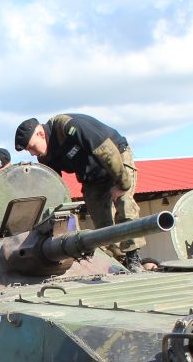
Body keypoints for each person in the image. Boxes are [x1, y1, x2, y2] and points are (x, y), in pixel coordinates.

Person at [15, 114, 144, 271]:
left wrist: (122, 184)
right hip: (91, 176)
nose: (32, 153)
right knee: (101, 222)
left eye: (31, 147)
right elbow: (55, 186)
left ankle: (133, 257)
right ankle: (120, 261)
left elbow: (107, 152)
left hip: (116, 158)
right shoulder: (45, 156)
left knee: (125, 204)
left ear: (41, 134)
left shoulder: (68, 127)